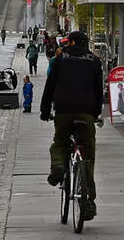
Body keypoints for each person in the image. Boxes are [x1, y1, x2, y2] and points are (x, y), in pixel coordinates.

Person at [40, 31, 103, 221]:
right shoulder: (94, 60)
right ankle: (88, 201)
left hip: (63, 110)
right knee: (88, 156)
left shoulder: (60, 59)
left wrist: (44, 111)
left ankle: (58, 167)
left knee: (59, 142)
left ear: (72, 42)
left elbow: (49, 87)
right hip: (85, 112)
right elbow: (99, 90)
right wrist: (95, 113)